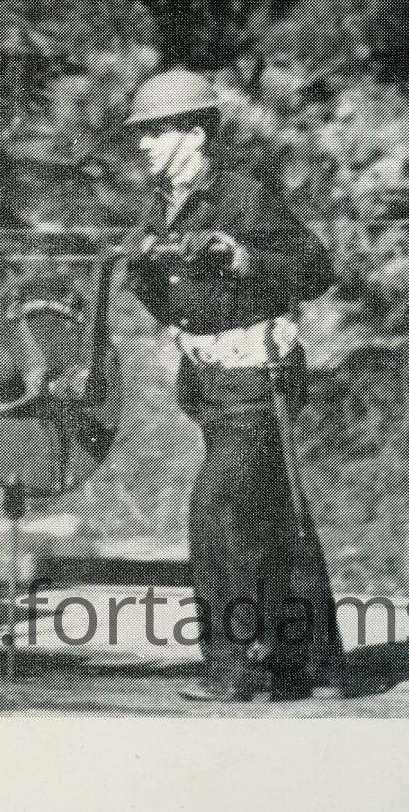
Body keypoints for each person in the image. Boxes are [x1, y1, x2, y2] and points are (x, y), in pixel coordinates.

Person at [121, 67, 341, 705]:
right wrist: (154, 278)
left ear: (193, 133)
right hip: (211, 381)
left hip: (257, 377)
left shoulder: (243, 194)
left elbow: (314, 269)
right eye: (142, 134)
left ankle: (235, 668)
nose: (143, 145)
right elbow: (151, 286)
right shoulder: (162, 205)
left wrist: (245, 259)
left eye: (155, 132)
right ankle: (309, 665)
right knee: (272, 513)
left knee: (220, 512)